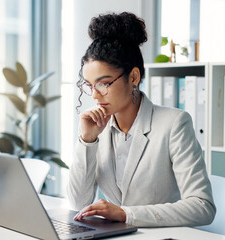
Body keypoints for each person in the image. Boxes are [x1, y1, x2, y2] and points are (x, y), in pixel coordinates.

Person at [67, 12, 216, 227]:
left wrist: (126, 214)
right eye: (90, 85)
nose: (95, 95)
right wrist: (87, 141)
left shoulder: (174, 124)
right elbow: (77, 203)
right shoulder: (99, 127)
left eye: (104, 83)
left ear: (134, 77)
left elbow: (203, 207)